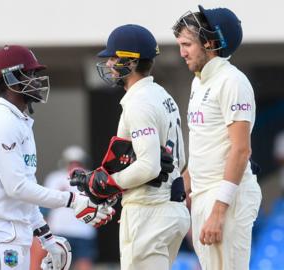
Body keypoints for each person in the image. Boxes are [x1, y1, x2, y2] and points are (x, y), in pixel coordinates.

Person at [0, 45, 114, 270]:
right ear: (10, 79)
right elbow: (17, 188)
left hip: (8, 228)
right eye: (30, 75)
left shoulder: (18, 121)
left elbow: (26, 190)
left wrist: (46, 237)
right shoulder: (3, 123)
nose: (37, 81)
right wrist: (72, 201)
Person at [73, 24, 191, 269]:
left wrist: (107, 182)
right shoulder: (162, 95)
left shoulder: (139, 101)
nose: (108, 65)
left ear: (132, 62)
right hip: (170, 209)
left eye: (113, 58)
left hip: (149, 210)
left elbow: (148, 166)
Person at [173, 5, 262, 269]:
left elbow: (241, 150)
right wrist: (177, 192)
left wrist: (219, 210)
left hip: (226, 201)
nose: (182, 53)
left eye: (187, 44)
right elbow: (204, 147)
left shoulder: (232, 81)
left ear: (210, 42)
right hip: (202, 197)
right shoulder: (198, 83)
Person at [44, 145, 97, 270]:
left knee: (84, 264)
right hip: (58, 230)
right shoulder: (55, 178)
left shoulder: (92, 178)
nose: (74, 165)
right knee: (57, 265)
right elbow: (44, 206)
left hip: (83, 231)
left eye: (77, 162)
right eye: (71, 162)